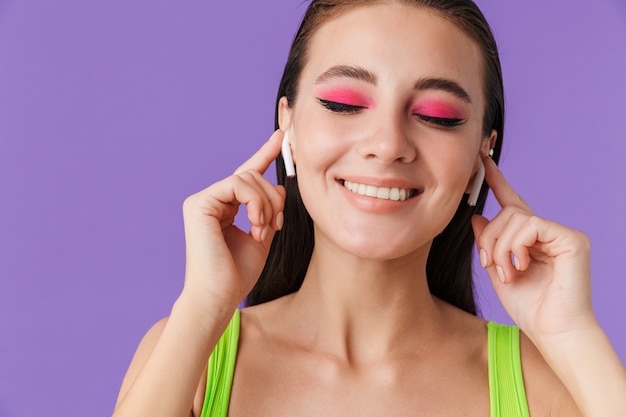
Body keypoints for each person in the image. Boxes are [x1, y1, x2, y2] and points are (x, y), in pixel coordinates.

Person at [112, 1, 626, 416]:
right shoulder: (191, 355)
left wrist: (573, 337)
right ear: (286, 124)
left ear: (480, 156)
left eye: (436, 115)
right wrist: (203, 308)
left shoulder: (542, 386)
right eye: (343, 103)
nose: (387, 143)